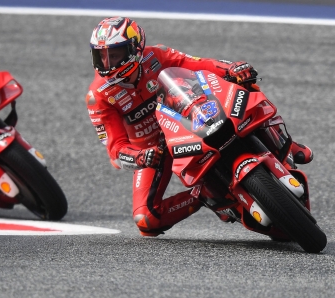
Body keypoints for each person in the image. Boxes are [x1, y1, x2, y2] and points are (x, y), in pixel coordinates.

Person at [85, 16, 313, 236]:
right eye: (101, 57)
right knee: (145, 219)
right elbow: (116, 149)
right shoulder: (98, 96)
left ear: (135, 48)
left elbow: (197, 64)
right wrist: (140, 157)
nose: (107, 64)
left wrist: (231, 69)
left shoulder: (157, 55)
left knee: (242, 79)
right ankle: (204, 194)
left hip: (188, 118)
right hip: (156, 149)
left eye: (114, 55)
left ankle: (283, 141)